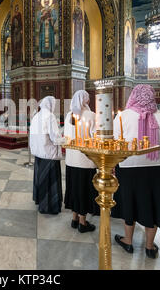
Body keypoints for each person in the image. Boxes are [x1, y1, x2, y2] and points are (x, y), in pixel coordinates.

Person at [111, 85, 160, 259]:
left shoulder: (122, 117)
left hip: (128, 167)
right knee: (154, 204)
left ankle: (128, 240)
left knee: (129, 202)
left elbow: (115, 145)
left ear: (133, 96)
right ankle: (149, 246)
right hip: (158, 169)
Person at [63, 90, 99, 232]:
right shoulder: (91, 115)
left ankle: (74, 218)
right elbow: (96, 137)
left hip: (71, 159)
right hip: (85, 160)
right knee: (84, 190)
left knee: (74, 188)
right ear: (85, 100)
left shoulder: (68, 115)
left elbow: (66, 135)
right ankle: (83, 223)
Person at [29, 96, 65, 214]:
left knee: (41, 178)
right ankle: (49, 206)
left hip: (39, 154)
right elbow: (54, 137)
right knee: (50, 180)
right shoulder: (49, 116)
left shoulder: (36, 116)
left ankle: (40, 200)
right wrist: (64, 139)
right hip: (49, 154)